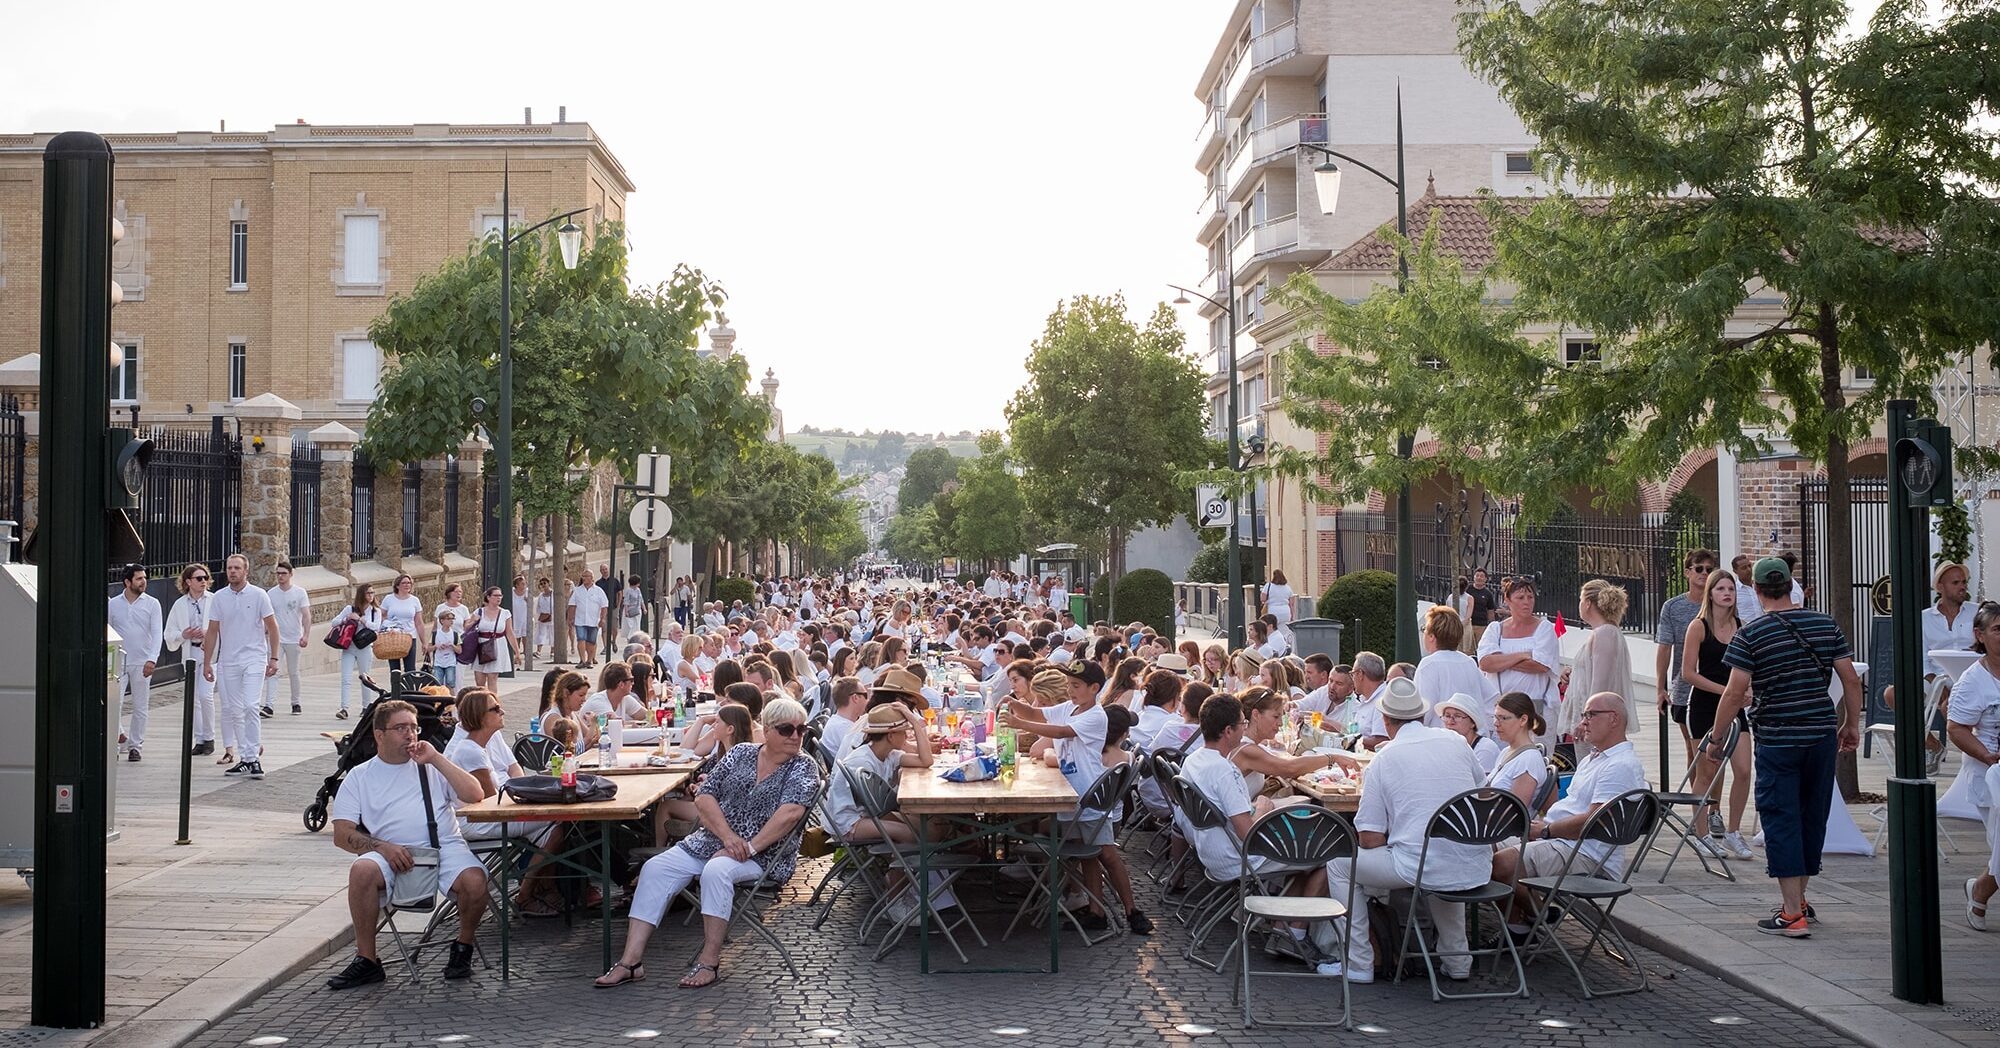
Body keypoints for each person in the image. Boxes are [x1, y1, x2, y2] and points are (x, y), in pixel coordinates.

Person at [596, 698, 819, 990]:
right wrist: (728, 837)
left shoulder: (803, 766)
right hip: (712, 841)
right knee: (655, 868)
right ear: (766, 730)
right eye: (787, 729)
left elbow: (790, 814)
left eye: (802, 730)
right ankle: (631, 962)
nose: (796, 736)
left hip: (765, 855)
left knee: (716, 871)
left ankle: (709, 962)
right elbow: (704, 796)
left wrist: (749, 847)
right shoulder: (741, 752)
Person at [1713, 555, 1862, 938]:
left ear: (1756, 589)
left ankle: (1792, 914)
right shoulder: (1825, 624)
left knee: (1781, 818)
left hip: (1778, 739)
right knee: (1812, 816)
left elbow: (1734, 693)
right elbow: (1850, 679)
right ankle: (1800, 900)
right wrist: (1850, 724)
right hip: (1820, 735)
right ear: (1790, 584)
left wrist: (1716, 737)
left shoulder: (1751, 634)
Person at [1317, 681, 1486, 982]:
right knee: (1440, 851)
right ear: (1421, 714)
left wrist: (1402, 830)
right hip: (1474, 862)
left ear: (1386, 720)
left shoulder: (1385, 758)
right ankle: (1457, 960)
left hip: (1423, 865)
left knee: (1340, 865)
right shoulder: (1456, 742)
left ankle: (1359, 962)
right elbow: (1482, 795)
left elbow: (1369, 838)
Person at [325, 699, 487, 989]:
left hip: (443, 845)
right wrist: (382, 847)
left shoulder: (431, 764)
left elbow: (475, 794)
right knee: (361, 870)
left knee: (475, 881)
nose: (410, 734)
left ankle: (463, 947)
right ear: (379, 735)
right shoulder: (360, 777)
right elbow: (342, 834)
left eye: (414, 727)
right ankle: (367, 960)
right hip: (388, 850)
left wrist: (437, 759)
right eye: (401, 728)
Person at [1175, 694, 1331, 960]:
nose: (1245, 728)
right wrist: (1262, 808)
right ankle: (1294, 934)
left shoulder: (1195, 760)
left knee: (1305, 850)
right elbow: (1247, 833)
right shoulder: (1225, 770)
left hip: (1210, 849)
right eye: (1242, 723)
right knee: (1325, 856)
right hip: (1235, 857)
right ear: (1229, 731)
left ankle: (1281, 926)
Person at [1001, 662, 1151, 934]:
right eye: (1069, 684)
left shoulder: (1095, 716)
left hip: (1090, 799)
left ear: (1094, 688)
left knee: (1108, 855)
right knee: (1088, 856)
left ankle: (1133, 911)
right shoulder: (1069, 708)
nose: (1070, 690)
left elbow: (1062, 732)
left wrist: (1018, 723)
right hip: (1072, 798)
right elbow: (1037, 713)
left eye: (1076, 686)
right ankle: (1096, 911)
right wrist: (1013, 704)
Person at [1491, 691, 1649, 934]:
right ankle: (1519, 928)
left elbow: (1594, 822)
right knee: (1482, 853)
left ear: (1614, 719)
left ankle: (1535, 916)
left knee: (1499, 865)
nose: (1583, 721)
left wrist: (1546, 830)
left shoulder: (1620, 765)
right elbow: (1570, 808)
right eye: (1584, 715)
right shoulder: (1593, 759)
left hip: (1586, 854)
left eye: (1590, 715)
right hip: (1564, 841)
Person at [1681, 566, 1754, 860]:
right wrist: (1725, 691)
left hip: (1734, 706)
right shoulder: (1698, 626)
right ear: (1710, 594)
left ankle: (1733, 831)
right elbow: (1688, 673)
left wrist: (1747, 690)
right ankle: (1701, 835)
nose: (1727, 594)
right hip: (1704, 705)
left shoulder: (1742, 626)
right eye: (1721, 589)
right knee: (1707, 771)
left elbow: (1749, 668)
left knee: (1744, 770)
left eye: (1731, 589)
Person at [1946, 601, 2000, 931]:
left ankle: (1981, 888)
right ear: (1980, 636)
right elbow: (1956, 728)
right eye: (1998, 630)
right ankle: (1981, 889)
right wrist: (1987, 755)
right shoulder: (1973, 681)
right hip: (1991, 775)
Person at [203, 554, 278, 780]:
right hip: (229, 660)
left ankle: (253, 757)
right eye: (229, 568)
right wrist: (207, 662)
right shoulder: (219, 597)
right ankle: (246, 758)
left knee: (250, 705)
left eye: (237, 568)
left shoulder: (259, 595)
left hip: (254, 658)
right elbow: (213, 631)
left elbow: (273, 627)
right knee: (235, 709)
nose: (232, 571)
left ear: (246, 571)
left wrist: (274, 658)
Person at [1556, 579, 1634, 751]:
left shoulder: (1605, 633)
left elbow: (1601, 683)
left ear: (1588, 603)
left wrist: (1587, 719)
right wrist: (1574, 673)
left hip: (1596, 725)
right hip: (1592, 721)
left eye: (1581, 599)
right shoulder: (1603, 633)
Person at [1656, 550, 1715, 763]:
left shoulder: (1720, 603)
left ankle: (1712, 787)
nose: (1704, 573)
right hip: (1685, 687)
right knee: (1694, 749)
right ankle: (1697, 786)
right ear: (1687, 572)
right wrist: (1660, 688)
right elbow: (1665, 648)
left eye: (1709, 569)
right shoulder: (1673, 607)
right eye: (1699, 569)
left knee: (1714, 752)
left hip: (1716, 685)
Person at [1477, 577, 1560, 728]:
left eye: (1530, 597)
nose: (1527, 602)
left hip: (1536, 708)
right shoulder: (1495, 629)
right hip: (1501, 708)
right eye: (1520, 598)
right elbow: (1485, 663)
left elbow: (1541, 665)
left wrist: (1500, 661)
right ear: (1507, 600)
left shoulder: (1545, 628)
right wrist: (1522, 655)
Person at [163, 563, 222, 757]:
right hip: (190, 652)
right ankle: (200, 739)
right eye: (199, 578)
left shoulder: (214, 600)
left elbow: (225, 625)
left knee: (206, 695)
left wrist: (208, 633)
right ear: (188, 581)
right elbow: (169, 632)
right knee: (194, 698)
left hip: (210, 653)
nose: (203, 581)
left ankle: (210, 737)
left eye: (205, 578)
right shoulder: (180, 605)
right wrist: (184, 634)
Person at [109, 564, 162, 763]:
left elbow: (157, 633)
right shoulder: (113, 604)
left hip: (142, 661)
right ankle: (116, 742)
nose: (143, 581)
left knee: (140, 706)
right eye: (139, 578)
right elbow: (109, 632)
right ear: (127, 582)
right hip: (119, 661)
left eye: (144, 577)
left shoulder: (152, 604)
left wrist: (152, 659)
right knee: (115, 704)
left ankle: (135, 746)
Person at [1414, 606, 1496, 729]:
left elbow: (1423, 712)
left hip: (1441, 736)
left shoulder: (1428, 664)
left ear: (1432, 636)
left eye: (1424, 629)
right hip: (1472, 735)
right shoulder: (1469, 662)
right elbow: (1491, 699)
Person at [328, 583, 384, 721]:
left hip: (365, 647)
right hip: (349, 647)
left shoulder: (375, 611)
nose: (371, 595)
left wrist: (361, 620)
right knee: (346, 678)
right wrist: (347, 618)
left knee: (365, 678)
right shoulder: (350, 609)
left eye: (372, 593)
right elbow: (334, 622)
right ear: (362, 595)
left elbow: (376, 627)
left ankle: (366, 706)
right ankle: (344, 708)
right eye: (368, 593)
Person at [262, 561, 311, 717]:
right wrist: (265, 632)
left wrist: (306, 635)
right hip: (276, 639)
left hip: (294, 638)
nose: (280, 576)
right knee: (273, 671)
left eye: (283, 573)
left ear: (290, 574)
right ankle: (269, 705)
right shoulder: (271, 594)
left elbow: (306, 615)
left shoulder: (299, 592)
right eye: (278, 573)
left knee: (293, 672)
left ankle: (296, 702)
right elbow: (266, 616)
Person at [1486, 692, 1550, 809]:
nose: (1496, 723)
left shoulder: (1529, 760)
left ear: (1523, 720)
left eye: (1503, 718)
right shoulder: (1506, 751)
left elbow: (1515, 812)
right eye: (1495, 717)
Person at [1925, 561, 1975, 683]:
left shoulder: (1977, 612)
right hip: (1937, 679)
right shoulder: (1925, 618)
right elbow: (1922, 661)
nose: (1962, 587)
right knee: (1891, 691)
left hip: (1973, 679)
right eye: (1955, 583)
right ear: (1940, 587)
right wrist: (1938, 686)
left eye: (1964, 582)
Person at [1438, 693, 1501, 774]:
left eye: (1457, 716)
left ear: (1473, 723)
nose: (1450, 722)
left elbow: (1483, 782)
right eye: (1447, 716)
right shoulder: (1446, 747)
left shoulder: (1485, 749)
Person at [378, 573, 427, 675]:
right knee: (395, 669)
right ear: (397, 585)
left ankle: (409, 685)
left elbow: (419, 622)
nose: (407, 585)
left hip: (409, 637)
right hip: (393, 636)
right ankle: (396, 685)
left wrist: (424, 642)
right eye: (404, 583)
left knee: (410, 669)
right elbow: (380, 616)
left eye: (409, 583)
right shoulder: (389, 599)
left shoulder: (414, 600)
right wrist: (385, 628)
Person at [819, 676, 867, 759]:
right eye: (865, 695)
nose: (867, 699)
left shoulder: (836, 721)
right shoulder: (846, 730)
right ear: (855, 698)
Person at [570, 570, 609, 668]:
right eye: (583, 576)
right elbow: (572, 605)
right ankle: (582, 660)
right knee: (581, 639)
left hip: (593, 621)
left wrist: (602, 619)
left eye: (586, 576)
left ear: (591, 578)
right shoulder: (577, 591)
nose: (584, 578)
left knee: (591, 642)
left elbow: (604, 606)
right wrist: (570, 618)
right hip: (580, 620)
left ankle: (589, 660)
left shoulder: (598, 591)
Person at [430, 609, 463, 691]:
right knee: (438, 685)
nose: (451, 621)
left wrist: (452, 645)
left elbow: (459, 650)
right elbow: (428, 649)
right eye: (448, 619)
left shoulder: (455, 634)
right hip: (438, 663)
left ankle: (450, 698)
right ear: (442, 621)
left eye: (452, 619)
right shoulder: (435, 634)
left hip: (450, 662)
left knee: (450, 684)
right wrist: (437, 646)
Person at [1262, 569, 1294, 639]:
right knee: (1284, 632)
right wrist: (1292, 615)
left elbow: (1263, 599)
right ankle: (1284, 644)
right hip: (1285, 612)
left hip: (1273, 611)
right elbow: (1291, 604)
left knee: (1272, 632)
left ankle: (1274, 643)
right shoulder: (1288, 588)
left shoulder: (1268, 586)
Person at [1468, 567, 1497, 632]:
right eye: (1477, 575)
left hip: (1481, 625)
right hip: (1468, 623)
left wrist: (1492, 625)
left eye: (1481, 576)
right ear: (1474, 577)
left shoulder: (1488, 593)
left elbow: (1490, 611)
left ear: (1485, 579)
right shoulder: (1467, 589)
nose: (1479, 578)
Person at [533, 577, 555, 659]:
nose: (543, 585)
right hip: (543, 617)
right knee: (540, 634)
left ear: (548, 583)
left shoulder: (554, 594)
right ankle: (538, 651)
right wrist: (539, 616)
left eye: (544, 583)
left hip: (552, 617)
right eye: (541, 584)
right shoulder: (540, 595)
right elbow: (538, 607)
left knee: (552, 634)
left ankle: (552, 651)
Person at [510, 574, 531, 658]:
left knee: (525, 635)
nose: (524, 585)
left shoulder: (527, 592)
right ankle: (516, 653)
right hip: (515, 617)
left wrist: (528, 601)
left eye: (524, 583)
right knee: (516, 635)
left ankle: (526, 652)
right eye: (522, 584)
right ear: (517, 585)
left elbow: (532, 604)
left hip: (525, 616)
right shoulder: (512, 592)